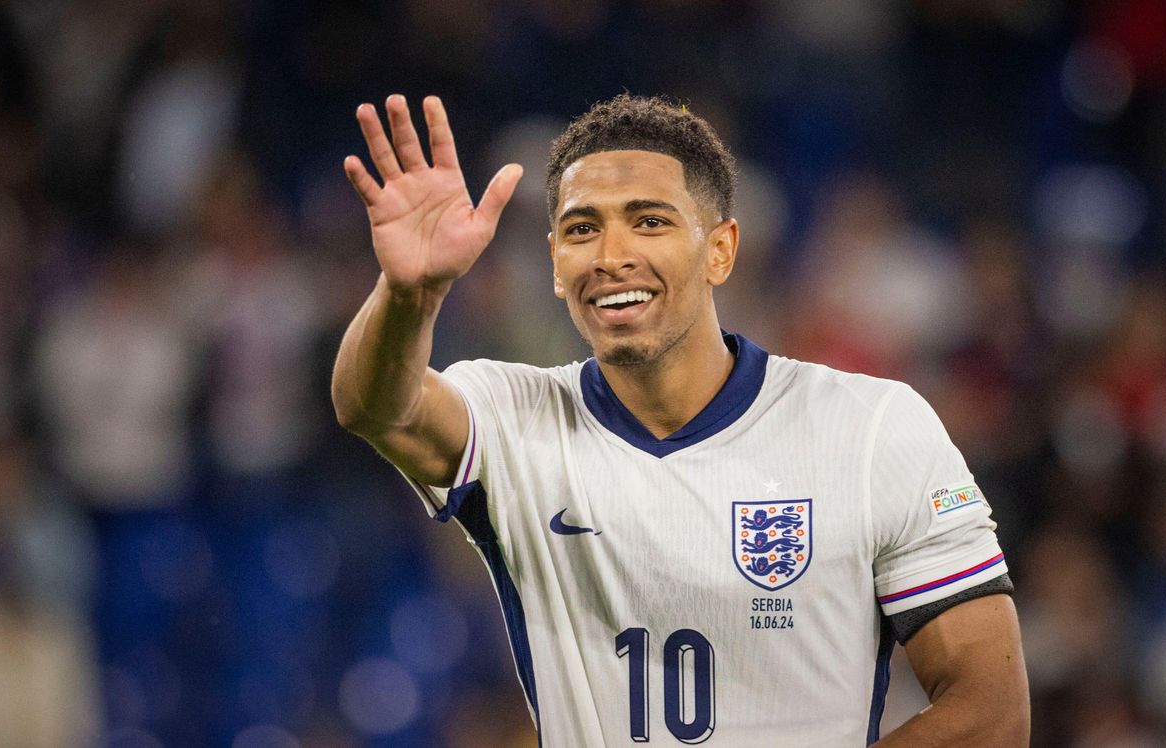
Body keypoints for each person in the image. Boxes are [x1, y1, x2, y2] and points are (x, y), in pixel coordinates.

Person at [332, 93, 1030, 746]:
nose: (611, 256)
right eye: (582, 229)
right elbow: (373, 407)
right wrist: (409, 293)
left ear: (721, 249)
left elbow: (991, 713)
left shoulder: (874, 427)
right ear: (554, 264)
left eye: (650, 221)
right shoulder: (513, 415)